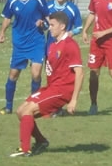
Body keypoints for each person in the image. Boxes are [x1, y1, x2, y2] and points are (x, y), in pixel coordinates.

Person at [11, 9, 82, 157]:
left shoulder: (70, 45)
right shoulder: (53, 45)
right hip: (51, 88)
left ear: (62, 27)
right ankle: (41, 141)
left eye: (52, 25)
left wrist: (73, 100)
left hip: (62, 91)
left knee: (28, 110)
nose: (49, 28)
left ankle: (25, 149)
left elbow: (80, 73)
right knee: (20, 111)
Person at [0, 0, 49, 114]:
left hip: (36, 41)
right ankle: (8, 106)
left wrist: (44, 25)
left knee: (36, 74)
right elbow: (7, 17)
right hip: (19, 43)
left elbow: (47, 17)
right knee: (13, 75)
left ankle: (33, 105)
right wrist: (2, 33)